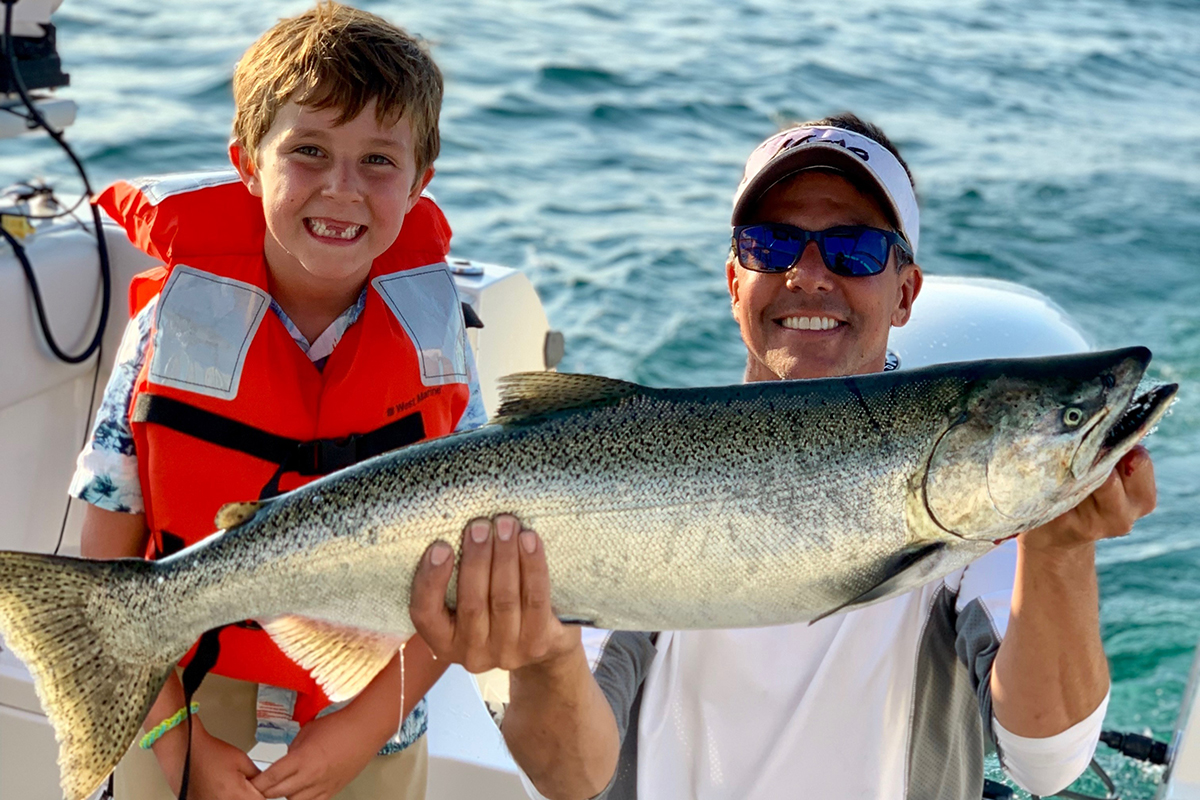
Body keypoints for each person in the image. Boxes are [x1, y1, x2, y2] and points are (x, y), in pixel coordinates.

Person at [408, 113, 1160, 799]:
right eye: (769, 244)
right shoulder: (644, 466)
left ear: (906, 293)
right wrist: (545, 656)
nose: (807, 272)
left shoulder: (974, 504)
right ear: (735, 279)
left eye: (854, 248)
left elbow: (1046, 761)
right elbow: (571, 775)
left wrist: (1061, 551)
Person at [70, 4, 487, 799]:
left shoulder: (439, 342)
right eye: (308, 151)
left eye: (377, 160)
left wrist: (355, 736)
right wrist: (173, 741)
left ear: (420, 181)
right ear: (247, 163)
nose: (341, 188)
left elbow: (462, 577)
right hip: (183, 706)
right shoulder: (170, 324)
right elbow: (107, 558)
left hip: (376, 718)